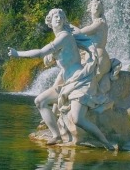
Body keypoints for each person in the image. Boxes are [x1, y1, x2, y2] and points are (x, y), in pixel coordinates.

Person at [8, 9, 115, 150]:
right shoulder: (60, 38)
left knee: (78, 119)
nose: (58, 19)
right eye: (55, 17)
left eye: (60, 16)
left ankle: (106, 142)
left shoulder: (64, 36)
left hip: (80, 81)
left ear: (64, 20)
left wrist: (18, 54)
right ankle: (56, 135)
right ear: (49, 22)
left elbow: (41, 52)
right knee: (40, 101)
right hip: (67, 82)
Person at [72, 0, 121, 95]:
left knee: (87, 86)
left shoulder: (100, 22)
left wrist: (66, 29)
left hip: (99, 58)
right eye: (94, 5)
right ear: (89, 8)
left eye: (99, 6)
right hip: (94, 57)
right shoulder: (97, 22)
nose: (97, 7)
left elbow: (81, 32)